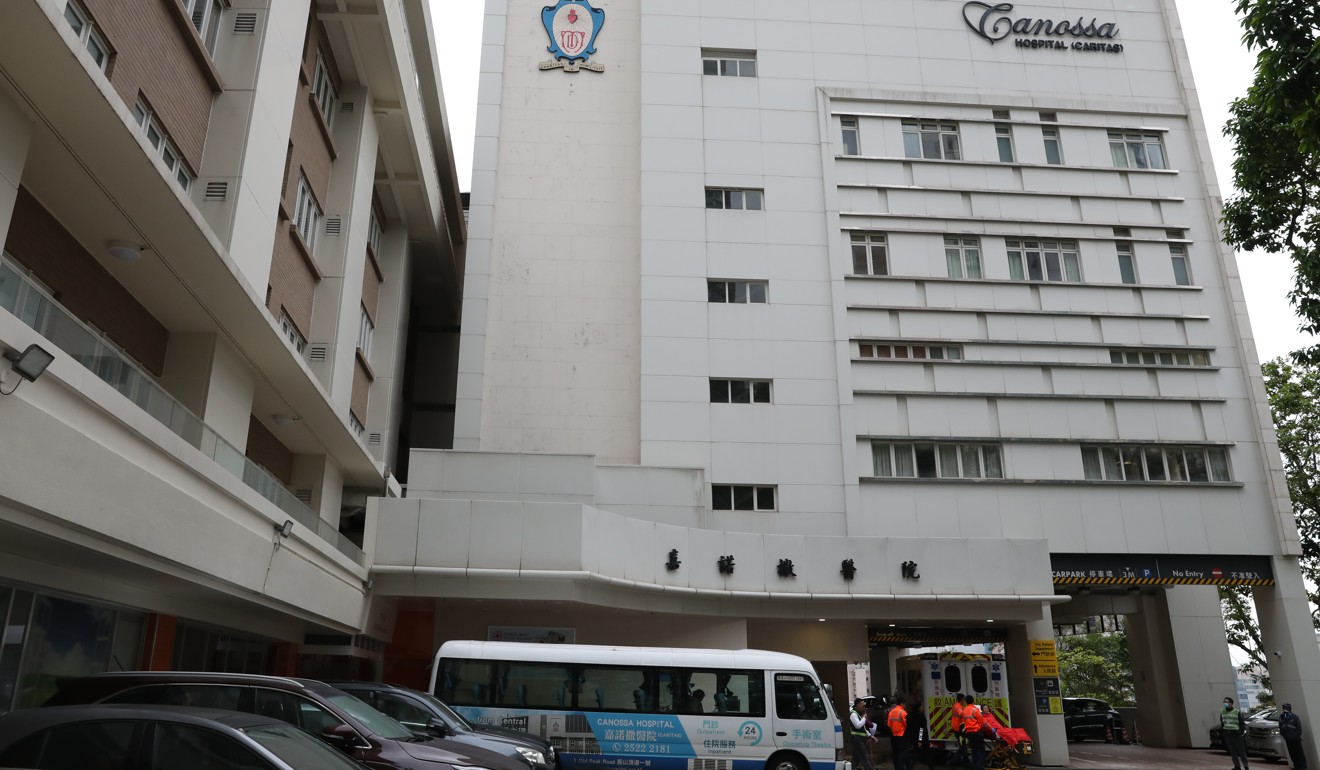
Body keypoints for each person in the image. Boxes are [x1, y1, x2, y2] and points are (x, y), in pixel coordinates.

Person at [1221, 697, 1251, 770]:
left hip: (1236, 734)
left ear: (1231, 703)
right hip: (1228, 734)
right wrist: (1224, 732)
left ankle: (1246, 766)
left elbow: (1241, 723)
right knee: (1232, 751)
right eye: (1224, 702)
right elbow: (1222, 722)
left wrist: (1241, 732)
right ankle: (1237, 766)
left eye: (1226, 702)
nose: (1225, 703)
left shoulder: (1236, 712)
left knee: (1241, 751)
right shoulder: (1222, 711)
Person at [849, 698, 877, 770]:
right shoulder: (853, 714)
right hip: (857, 739)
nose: (864, 707)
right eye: (863, 706)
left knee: (855, 759)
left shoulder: (857, 714)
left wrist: (870, 736)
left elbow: (863, 729)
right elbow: (858, 726)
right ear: (857, 705)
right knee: (864, 758)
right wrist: (864, 718)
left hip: (860, 739)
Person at [1280, 703, 1308, 770]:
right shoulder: (1282, 717)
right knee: (1292, 754)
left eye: (1285, 708)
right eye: (1283, 708)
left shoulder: (1294, 717)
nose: (1284, 709)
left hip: (1295, 739)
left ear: (1289, 708)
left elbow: (1299, 729)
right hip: (1288, 739)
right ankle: (1296, 766)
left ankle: (1303, 767)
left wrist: (1295, 736)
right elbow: (1281, 727)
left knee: (1299, 754)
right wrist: (1285, 736)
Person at [907, 701, 931, 770]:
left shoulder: (909, 716)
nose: (922, 708)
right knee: (926, 754)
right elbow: (921, 729)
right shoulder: (920, 716)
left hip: (914, 738)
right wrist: (920, 740)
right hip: (922, 738)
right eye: (922, 706)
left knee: (917, 754)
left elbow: (910, 728)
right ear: (919, 707)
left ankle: (910, 767)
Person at [963, 695, 986, 770]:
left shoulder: (965, 710)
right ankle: (979, 767)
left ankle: (975, 766)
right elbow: (983, 721)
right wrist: (991, 728)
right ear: (973, 701)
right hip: (976, 732)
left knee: (974, 750)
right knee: (980, 750)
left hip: (969, 733)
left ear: (966, 702)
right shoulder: (975, 710)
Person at [887, 697, 908, 770]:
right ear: (902, 704)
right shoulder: (903, 712)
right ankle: (901, 767)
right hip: (902, 735)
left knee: (895, 752)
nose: (905, 706)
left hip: (893, 735)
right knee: (902, 752)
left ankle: (896, 767)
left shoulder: (891, 712)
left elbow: (889, 724)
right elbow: (907, 724)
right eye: (905, 704)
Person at [950, 694, 968, 766]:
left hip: (957, 729)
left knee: (963, 746)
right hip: (959, 731)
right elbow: (961, 713)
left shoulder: (956, 705)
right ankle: (952, 762)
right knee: (962, 747)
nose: (964, 701)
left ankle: (966, 762)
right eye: (964, 700)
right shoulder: (958, 707)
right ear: (962, 699)